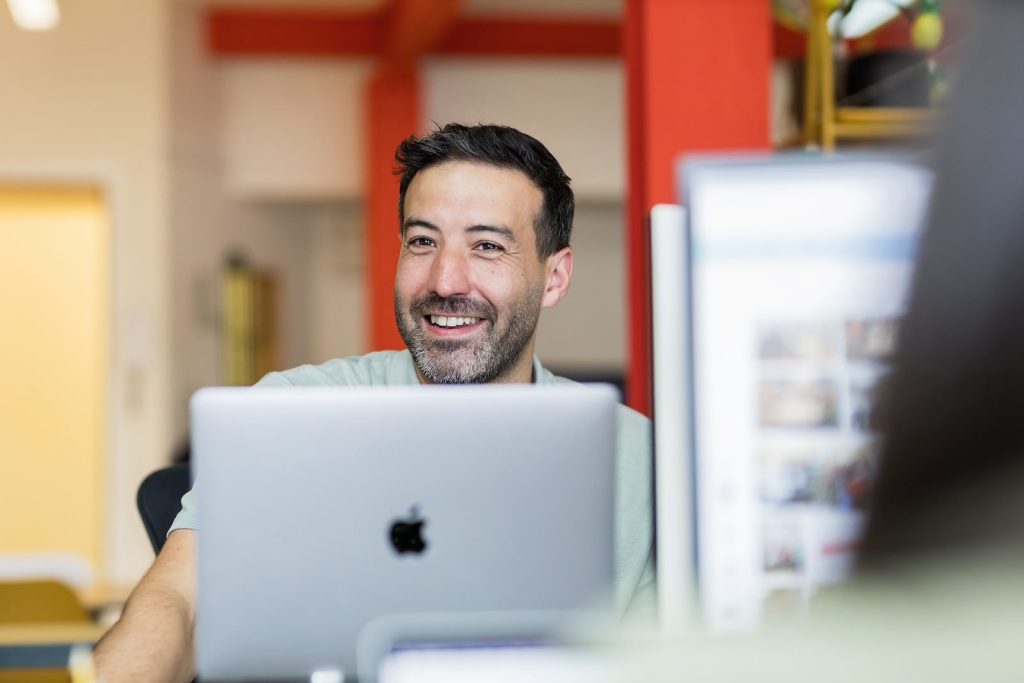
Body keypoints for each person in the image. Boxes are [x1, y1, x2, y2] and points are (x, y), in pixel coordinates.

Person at [93, 123, 653, 683]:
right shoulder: (293, 414)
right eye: (422, 241)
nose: (445, 279)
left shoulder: (638, 457)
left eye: (487, 246)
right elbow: (182, 603)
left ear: (554, 277)